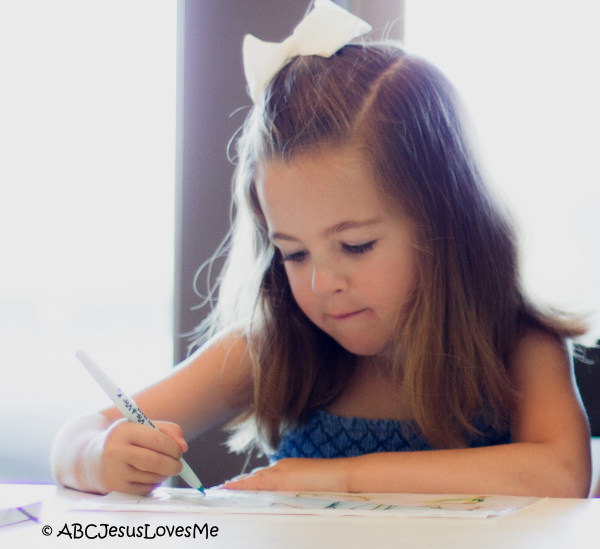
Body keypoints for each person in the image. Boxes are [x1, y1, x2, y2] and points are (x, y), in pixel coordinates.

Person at [51, 0, 591, 498]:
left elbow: (562, 474)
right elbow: (78, 434)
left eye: (355, 245)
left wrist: (335, 477)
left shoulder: (519, 345)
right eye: (293, 253)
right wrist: (98, 455)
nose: (320, 283)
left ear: (447, 225)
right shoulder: (272, 346)